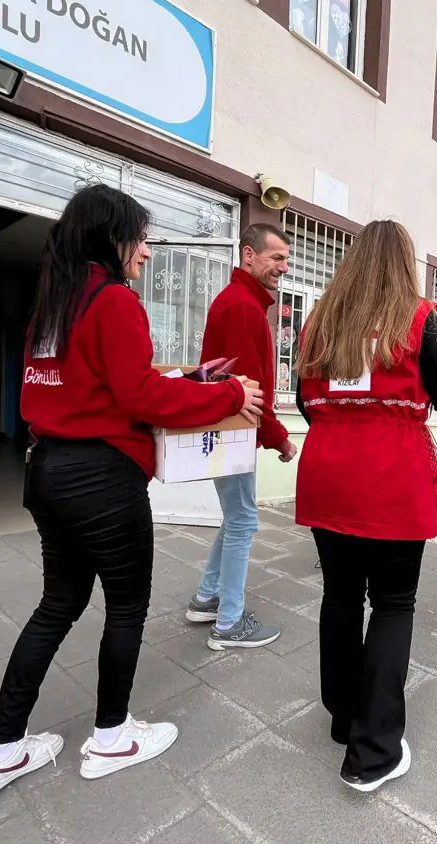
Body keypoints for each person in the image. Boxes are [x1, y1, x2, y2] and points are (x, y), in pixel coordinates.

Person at [0, 185, 263, 801]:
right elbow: (141, 397)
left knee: (57, 605)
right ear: (110, 238)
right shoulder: (115, 300)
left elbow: (95, 383)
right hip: (102, 479)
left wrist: (191, 379)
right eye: (139, 239)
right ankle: (111, 737)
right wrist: (229, 394)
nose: (146, 251)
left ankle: (0, 750)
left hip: (47, 471)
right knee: (126, 607)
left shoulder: (53, 304)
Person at [293, 220, 437, 792]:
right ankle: (374, 753)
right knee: (393, 604)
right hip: (391, 474)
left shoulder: (321, 319)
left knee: (341, 596)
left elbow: (304, 400)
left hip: (327, 470)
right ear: (403, 263)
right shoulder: (417, 318)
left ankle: (344, 718)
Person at [184, 224, 297, 650]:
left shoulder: (241, 301)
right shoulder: (242, 307)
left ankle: (206, 599)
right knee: (244, 521)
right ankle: (229, 623)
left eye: (286, 259)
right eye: (276, 258)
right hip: (234, 432)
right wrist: (280, 438)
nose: (283, 267)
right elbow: (250, 388)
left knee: (236, 518)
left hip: (232, 431)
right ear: (249, 255)